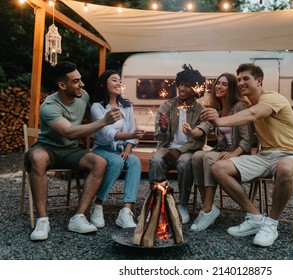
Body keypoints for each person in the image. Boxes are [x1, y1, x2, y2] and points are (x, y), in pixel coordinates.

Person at [200, 63, 293, 247]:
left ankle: (271, 224)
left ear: (259, 81)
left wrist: (219, 120)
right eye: (239, 79)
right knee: (218, 168)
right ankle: (256, 217)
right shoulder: (249, 104)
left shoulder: (272, 98)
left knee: (285, 167)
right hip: (265, 156)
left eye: (246, 78)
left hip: (291, 155)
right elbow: (245, 129)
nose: (241, 82)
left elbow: (252, 114)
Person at [24, 61, 122, 241]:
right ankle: (42, 220)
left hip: (71, 151)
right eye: (76, 81)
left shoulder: (83, 96)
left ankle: (78, 216)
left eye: (81, 80)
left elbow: (98, 105)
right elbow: (69, 133)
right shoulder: (49, 106)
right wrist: (103, 122)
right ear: (62, 85)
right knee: (37, 158)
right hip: (48, 148)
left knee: (99, 162)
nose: (82, 85)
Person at [182, 73, 255, 232]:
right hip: (222, 152)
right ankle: (208, 206)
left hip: (238, 155)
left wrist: (233, 154)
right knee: (196, 156)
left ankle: (207, 209)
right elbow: (204, 128)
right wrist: (191, 132)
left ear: (232, 88)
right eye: (217, 83)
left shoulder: (240, 107)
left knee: (207, 157)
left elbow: (247, 140)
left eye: (224, 84)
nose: (219, 87)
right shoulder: (217, 108)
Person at [148, 64, 210, 224]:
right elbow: (159, 135)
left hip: (188, 150)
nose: (182, 88)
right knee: (155, 161)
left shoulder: (200, 110)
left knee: (184, 163)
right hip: (167, 147)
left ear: (196, 89)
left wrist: (181, 150)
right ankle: (157, 204)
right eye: (181, 84)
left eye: (187, 85)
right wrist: (163, 128)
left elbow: (199, 140)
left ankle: (182, 205)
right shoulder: (167, 105)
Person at [89, 70, 144, 229]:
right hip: (102, 149)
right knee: (117, 162)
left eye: (120, 80)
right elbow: (106, 134)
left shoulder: (127, 106)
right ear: (103, 84)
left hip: (121, 149)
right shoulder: (97, 107)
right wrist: (131, 134)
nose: (119, 83)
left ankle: (126, 212)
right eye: (114, 80)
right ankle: (98, 204)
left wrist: (128, 149)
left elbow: (131, 130)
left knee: (134, 162)